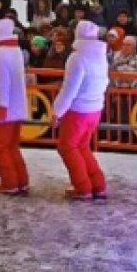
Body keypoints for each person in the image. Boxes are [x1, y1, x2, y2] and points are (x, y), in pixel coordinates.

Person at [52, 20, 109, 201]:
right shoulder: (100, 56)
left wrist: (58, 111)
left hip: (78, 110)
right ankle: (98, 184)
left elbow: (70, 88)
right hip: (95, 108)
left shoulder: (77, 58)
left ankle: (82, 186)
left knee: (67, 147)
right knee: (82, 146)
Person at [0, 18, 30, 196]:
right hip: (17, 106)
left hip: (3, 107)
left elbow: (1, 82)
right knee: (12, 146)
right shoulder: (16, 51)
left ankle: (9, 182)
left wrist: (0, 106)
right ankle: (21, 180)